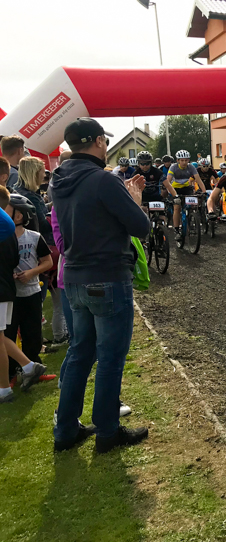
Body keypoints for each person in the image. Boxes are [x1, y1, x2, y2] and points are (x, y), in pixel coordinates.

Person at [51, 117, 150, 453]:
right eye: (104, 141)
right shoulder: (103, 180)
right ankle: (107, 432)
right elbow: (140, 227)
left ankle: (65, 430)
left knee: (80, 353)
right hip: (107, 276)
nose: (106, 146)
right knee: (110, 357)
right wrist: (133, 200)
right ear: (96, 142)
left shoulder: (58, 179)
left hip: (74, 278)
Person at [0, 187, 46, 403]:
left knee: (12, 336)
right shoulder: (9, 232)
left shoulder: (15, 233)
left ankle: (27, 367)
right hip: (9, 290)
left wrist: (30, 273)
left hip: (16, 290)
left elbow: (45, 260)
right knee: (3, 337)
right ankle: (18, 373)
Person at [5, 194, 53, 367]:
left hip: (31, 292)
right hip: (11, 294)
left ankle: (34, 366)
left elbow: (48, 261)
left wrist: (32, 272)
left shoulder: (34, 237)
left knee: (32, 333)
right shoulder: (3, 239)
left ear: (18, 216)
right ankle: (12, 371)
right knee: (9, 334)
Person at [164, 150, 206, 237]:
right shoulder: (173, 167)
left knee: (193, 204)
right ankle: (176, 230)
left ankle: (191, 216)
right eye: (182, 160)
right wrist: (172, 193)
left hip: (187, 188)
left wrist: (204, 192)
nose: (184, 162)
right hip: (175, 189)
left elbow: (199, 180)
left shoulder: (191, 167)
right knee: (177, 207)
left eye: (186, 160)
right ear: (178, 160)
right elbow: (168, 181)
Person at [14, 157, 52, 245]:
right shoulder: (30, 196)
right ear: (35, 174)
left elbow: (36, 211)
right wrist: (55, 214)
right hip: (42, 242)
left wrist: (49, 205)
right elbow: (43, 226)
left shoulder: (17, 190)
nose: (44, 175)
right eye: (43, 172)